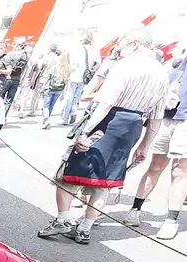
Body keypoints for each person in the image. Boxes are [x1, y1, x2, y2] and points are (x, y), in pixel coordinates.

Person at [38, 28, 169, 244]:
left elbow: (106, 103)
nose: (119, 51)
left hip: (107, 123)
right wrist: (144, 146)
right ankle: (85, 229)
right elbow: (156, 117)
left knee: (69, 174)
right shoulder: (162, 73)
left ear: (134, 44)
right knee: (104, 181)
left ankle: (62, 220)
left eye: (122, 46)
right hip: (131, 129)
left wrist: (84, 132)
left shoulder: (126, 65)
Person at [124, 57, 186, 239]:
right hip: (170, 116)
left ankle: (171, 220)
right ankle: (136, 208)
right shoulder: (182, 64)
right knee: (155, 166)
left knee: (180, 171)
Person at [62, 35, 96, 125]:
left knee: (69, 97)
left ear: (82, 41)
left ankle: (65, 118)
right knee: (76, 98)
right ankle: (74, 113)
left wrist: (67, 74)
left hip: (74, 76)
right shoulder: (94, 51)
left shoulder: (80, 50)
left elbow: (73, 64)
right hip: (85, 77)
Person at [0, 38, 29, 115]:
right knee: (9, 99)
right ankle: (4, 116)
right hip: (16, 79)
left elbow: (6, 69)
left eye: (14, 44)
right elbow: (25, 69)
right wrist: (22, 80)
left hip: (7, 78)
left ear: (17, 45)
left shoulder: (11, 54)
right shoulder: (26, 56)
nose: (13, 45)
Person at [40, 46, 69, 129]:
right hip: (59, 89)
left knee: (46, 105)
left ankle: (46, 119)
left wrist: (42, 89)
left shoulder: (53, 67)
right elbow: (66, 81)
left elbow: (48, 78)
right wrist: (63, 93)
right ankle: (47, 118)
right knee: (51, 105)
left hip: (49, 88)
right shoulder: (66, 69)